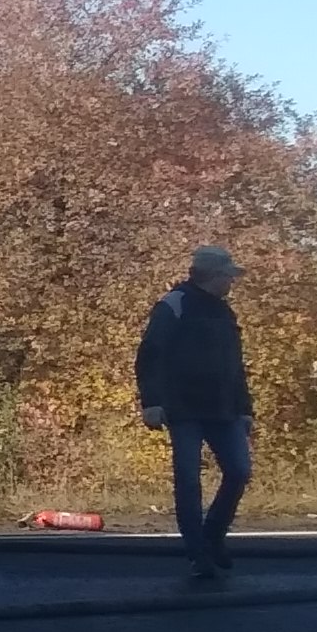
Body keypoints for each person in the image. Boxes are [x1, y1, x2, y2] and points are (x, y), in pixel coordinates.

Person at [136, 243, 255, 584]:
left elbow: (235, 365)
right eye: (228, 277)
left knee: (239, 470)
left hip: (223, 407)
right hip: (184, 407)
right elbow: (150, 355)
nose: (231, 283)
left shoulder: (224, 312)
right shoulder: (174, 305)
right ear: (212, 276)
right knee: (188, 481)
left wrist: (244, 408)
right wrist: (152, 402)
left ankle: (212, 534)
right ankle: (197, 553)